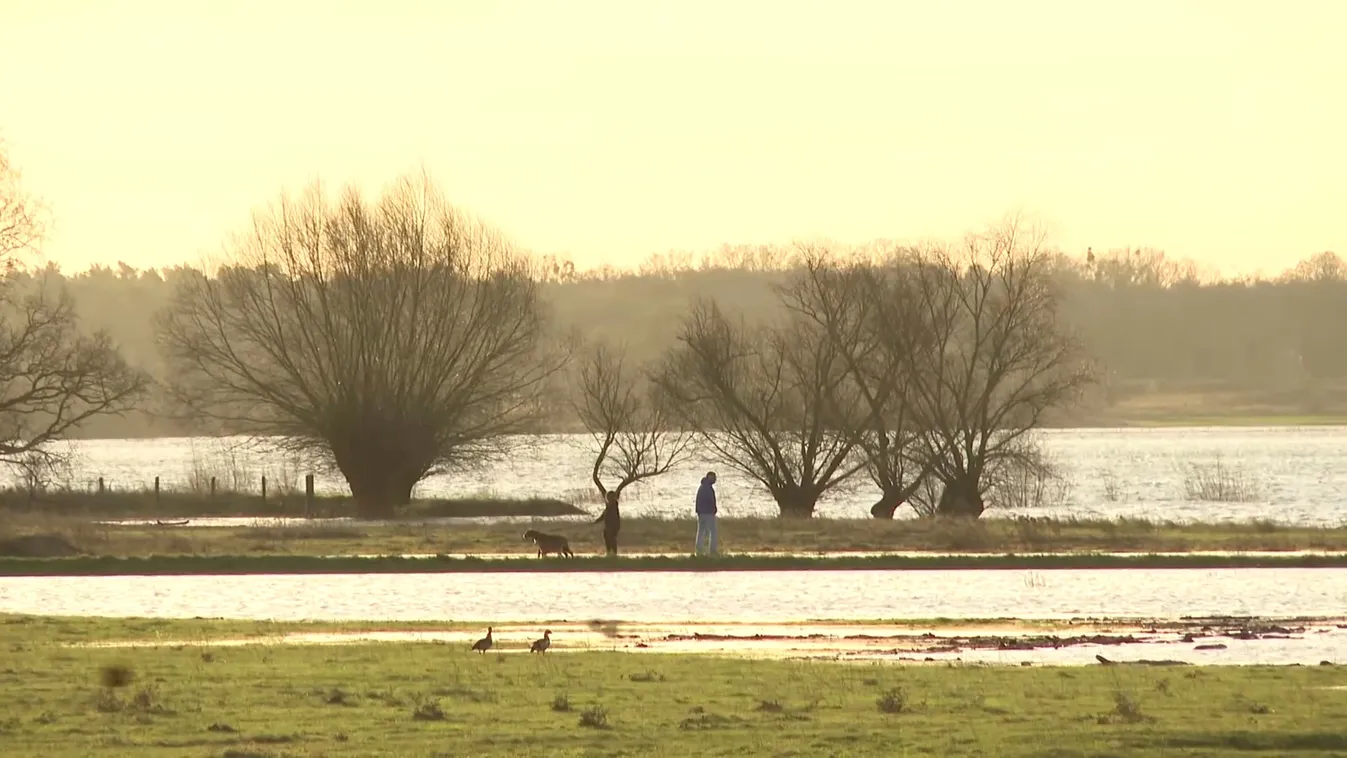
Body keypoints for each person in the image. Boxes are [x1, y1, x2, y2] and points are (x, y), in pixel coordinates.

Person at [694, 471, 718, 556]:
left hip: (701, 512)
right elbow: (710, 500)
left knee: (701, 531)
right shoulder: (708, 488)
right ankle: (713, 550)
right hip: (708, 512)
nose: (715, 479)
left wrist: (698, 511)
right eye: (714, 477)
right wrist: (714, 509)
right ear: (709, 477)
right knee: (713, 531)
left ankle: (699, 551)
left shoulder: (702, 486)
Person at [594, 490, 621, 557]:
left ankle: (613, 553)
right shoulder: (609, 505)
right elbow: (604, 515)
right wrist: (597, 521)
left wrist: (601, 519)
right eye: (608, 497)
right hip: (609, 525)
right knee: (608, 538)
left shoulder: (614, 504)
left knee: (611, 539)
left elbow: (607, 515)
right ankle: (609, 552)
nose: (608, 498)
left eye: (610, 497)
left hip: (613, 526)